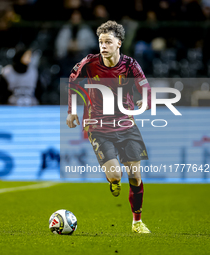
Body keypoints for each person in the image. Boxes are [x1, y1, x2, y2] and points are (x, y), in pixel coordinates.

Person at [66, 21, 152, 233]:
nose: (103, 46)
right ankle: (113, 181)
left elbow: (145, 87)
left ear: (119, 43)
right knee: (115, 175)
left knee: (135, 175)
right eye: (101, 42)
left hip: (126, 125)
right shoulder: (89, 63)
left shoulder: (130, 65)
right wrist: (72, 111)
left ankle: (137, 222)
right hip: (98, 126)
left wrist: (146, 100)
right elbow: (72, 82)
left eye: (108, 42)